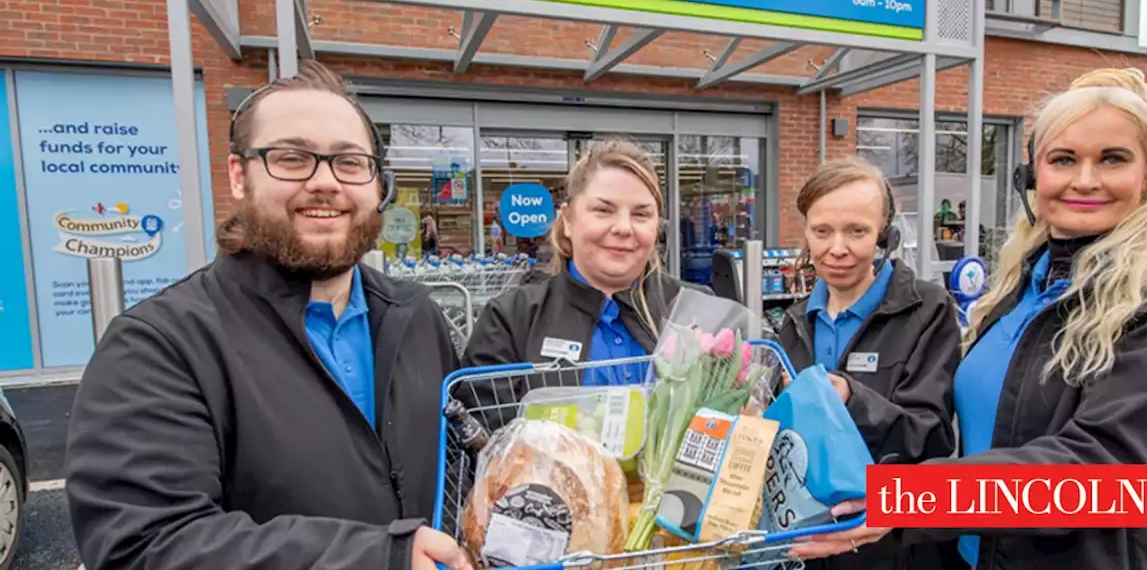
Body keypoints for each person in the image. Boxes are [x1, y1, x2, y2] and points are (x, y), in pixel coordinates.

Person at [791, 68, 1147, 569]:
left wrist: (909, 498)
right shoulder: (1020, 290)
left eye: (1112, 159)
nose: (1084, 179)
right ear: (1033, 176)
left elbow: (1099, 469)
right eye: (1064, 159)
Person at [64, 61, 471, 570]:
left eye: (350, 162)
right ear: (239, 175)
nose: (326, 183)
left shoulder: (416, 317)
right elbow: (144, 545)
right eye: (293, 158)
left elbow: (459, 466)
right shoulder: (160, 345)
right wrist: (379, 558)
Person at [775, 157, 961, 570]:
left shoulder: (927, 311)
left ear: (884, 235)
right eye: (822, 231)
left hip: (893, 553)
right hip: (807, 548)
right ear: (806, 232)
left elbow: (931, 437)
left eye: (857, 231)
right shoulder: (792, 324)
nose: (836, 248)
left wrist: (850, 398)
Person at [461, 139, 709, 409]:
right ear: (567, 220)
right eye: (603, 210)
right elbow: (487, 437)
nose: (624, 228)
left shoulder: (693, 311)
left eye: (641, 214)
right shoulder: (511, 320)